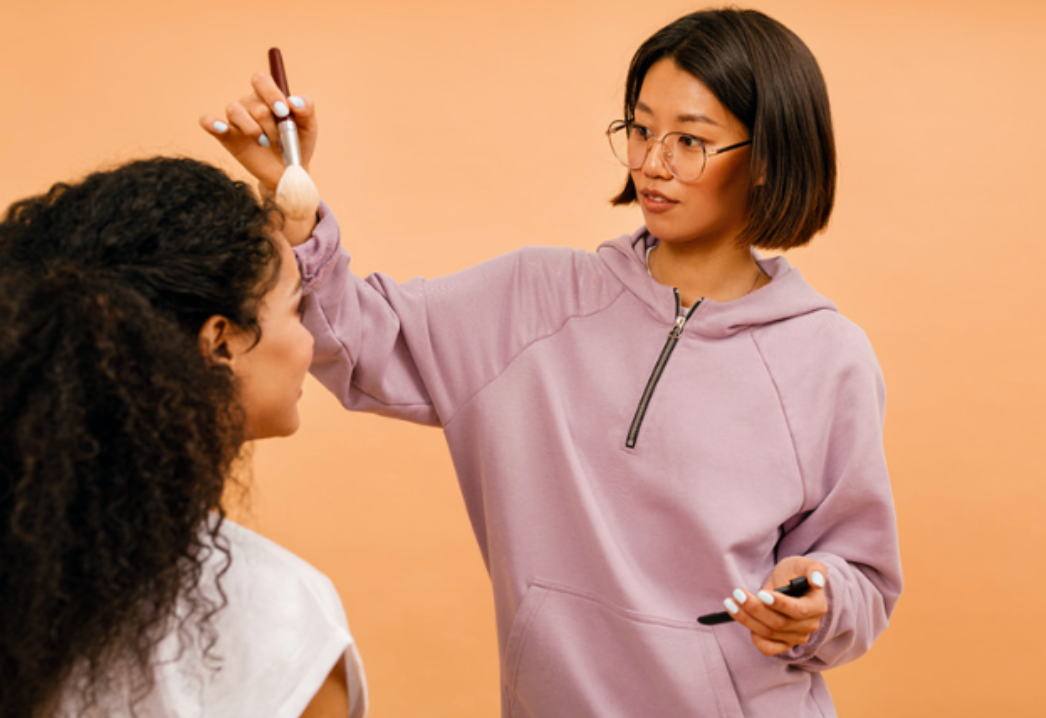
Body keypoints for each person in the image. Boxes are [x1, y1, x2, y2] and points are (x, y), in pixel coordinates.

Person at [203, 7, 902, 717]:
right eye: (639, 128)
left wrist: (817, 601)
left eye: (690, 140)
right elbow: (354, 336)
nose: (651, 163)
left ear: (766, 160)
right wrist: (293, 201)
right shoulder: (530, 303)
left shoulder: (827, 357)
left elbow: (863, 581)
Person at [0, 157, 367, 718]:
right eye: (296, 309)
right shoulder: (281, 615)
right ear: (220, 342)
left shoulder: (24, 566)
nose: (311, 343)